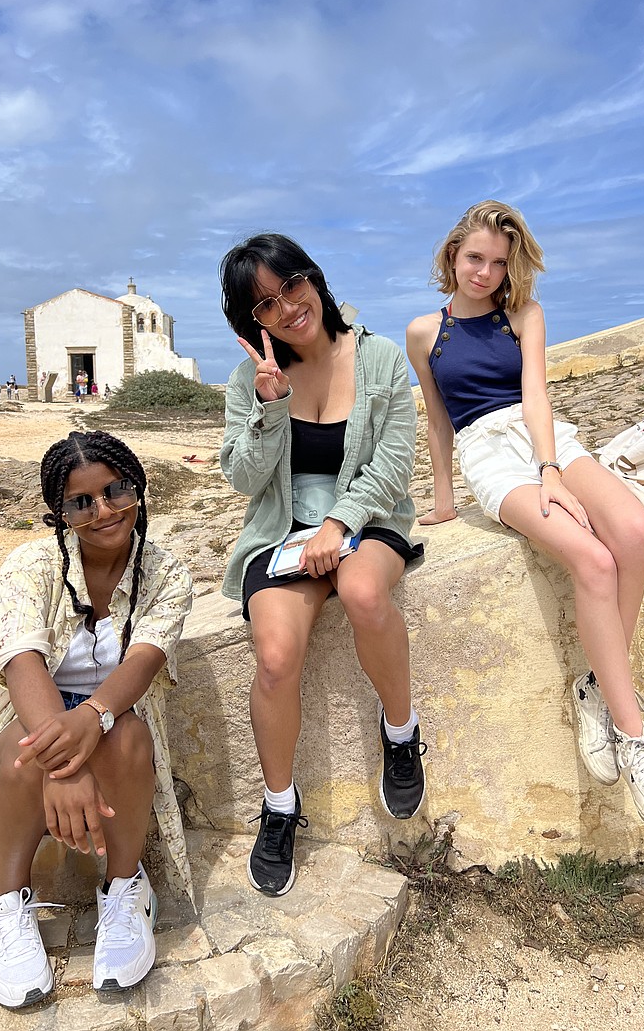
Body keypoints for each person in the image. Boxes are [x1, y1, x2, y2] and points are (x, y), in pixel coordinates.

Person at [406, 200, 644, 835]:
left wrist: (551, 468)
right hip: (487, 452)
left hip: (546, 439)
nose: (483, 272)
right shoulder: (425, 333)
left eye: (496, 262)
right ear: (452, 254)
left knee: (634, 530)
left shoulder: (523, 315)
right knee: (592, 560)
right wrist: (446, 497)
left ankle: (596, 683)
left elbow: (536, 392)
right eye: (473, 257)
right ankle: (637, 739)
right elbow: (437, 418)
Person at [0, 431, 194, 1007]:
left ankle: (125, 889)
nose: (104, 510)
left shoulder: (166, 573)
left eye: (117, 490)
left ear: (138, 489)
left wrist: (93, 716)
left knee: (130, 739)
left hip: (114, 712)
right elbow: (21, 657)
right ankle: (8, 901)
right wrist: (64, 771)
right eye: (81, 501)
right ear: (59, 512)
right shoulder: (32, 564)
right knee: (21, 753)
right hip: (36, 709)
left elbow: (145, 659)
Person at [219, 233, 426, 898]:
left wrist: (340, 523)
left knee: (365, 593)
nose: (287, 307)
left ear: (315, 277)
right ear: (252, 322)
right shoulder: (247, 381)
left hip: (366, 519)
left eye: (292, 285)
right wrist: (271, 405)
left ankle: (400, 732)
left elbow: (394, 463)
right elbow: (244, 478)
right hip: (281, 533)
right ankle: (280, 805)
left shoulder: (380, 358)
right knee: (276, 655)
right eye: (265, 305)